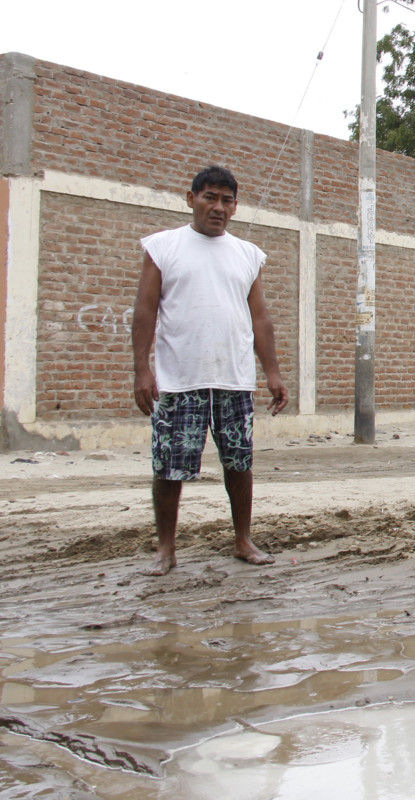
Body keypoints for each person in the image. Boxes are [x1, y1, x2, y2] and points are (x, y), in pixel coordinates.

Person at [132, 165, 289, 576]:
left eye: (227, 200)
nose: (218, 207)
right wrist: (142, 370)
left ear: (235, 207)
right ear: (191, 199)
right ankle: (166, 549)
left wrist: (272, 373)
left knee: (239, 463)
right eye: (210, 197)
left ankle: (243, 540)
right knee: (169, 467)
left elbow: (260, 319)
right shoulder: (163, 247)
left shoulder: (248, 255)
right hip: (179, 379)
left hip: (234, 379)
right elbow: (145, 311)